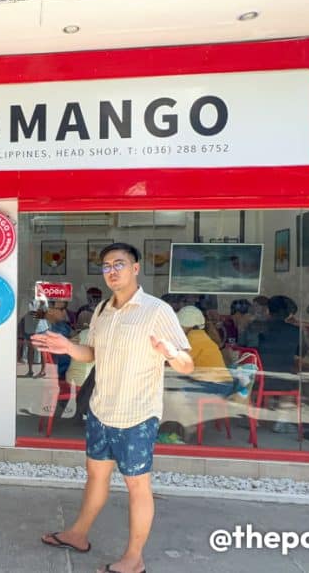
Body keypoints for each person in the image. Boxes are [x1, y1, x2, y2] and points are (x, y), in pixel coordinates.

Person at [33, 242, 193, 573]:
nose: (112, 271)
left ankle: (134, 558)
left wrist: (170, 352)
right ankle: (78, 534)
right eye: (106, 266)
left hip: (137, 414)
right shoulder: (103, 310)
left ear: (135, 268)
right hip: (101, 410)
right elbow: (92, 353)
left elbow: (187, 364)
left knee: (137, 485)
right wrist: (68, 347)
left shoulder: (157, 310)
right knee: (96, 475)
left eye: (119, 264)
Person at [239, 296, 302, 432]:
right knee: (294, 380)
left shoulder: (255, 326)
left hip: (256, 379)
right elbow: (302, 352)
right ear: (289, 314)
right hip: (283, 379)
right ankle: (282, 420)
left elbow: (243, 347)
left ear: (268, 310)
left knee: (248, 376)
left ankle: (253, 417)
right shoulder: (295, 331)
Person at [175, 306, 237, 396]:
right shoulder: (200, 335)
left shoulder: (194, 337)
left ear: (187, 325)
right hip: (221, 383)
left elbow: (181, 362)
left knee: (175, 393)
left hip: (214, 384)